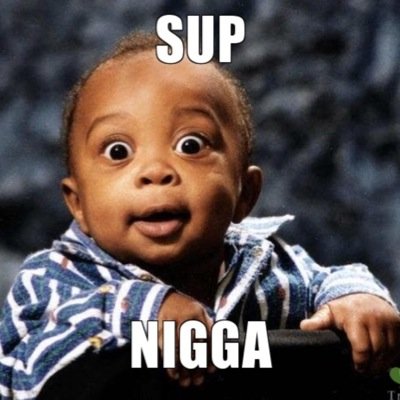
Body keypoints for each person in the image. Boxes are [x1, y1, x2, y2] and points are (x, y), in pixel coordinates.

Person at [0, 32, 399, 399]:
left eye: (190, 145)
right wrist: (146, 308)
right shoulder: (51, 280)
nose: (155, 171)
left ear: (245, 194)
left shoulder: (264, 266)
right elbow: (28, 369)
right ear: (78, 204)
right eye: (118, 152)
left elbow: (324, 280)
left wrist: (356, 299)